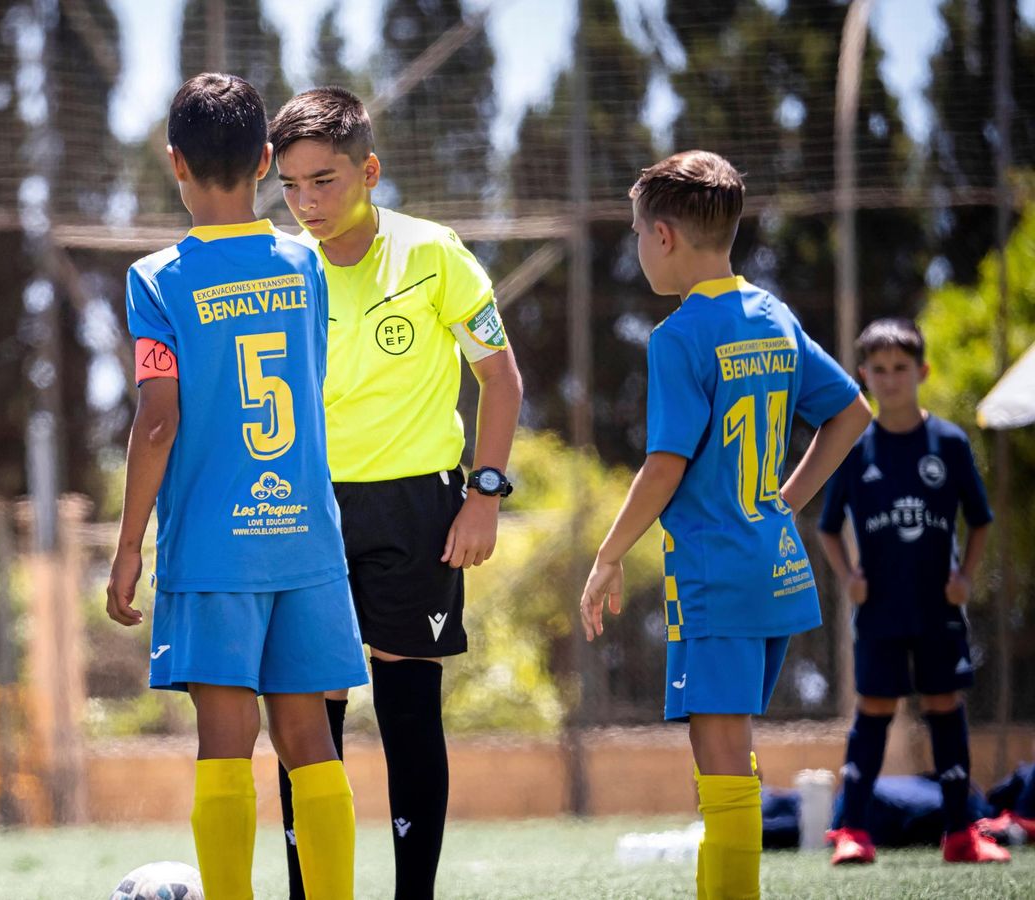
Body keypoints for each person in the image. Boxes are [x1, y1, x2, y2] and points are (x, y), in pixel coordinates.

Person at [578, 150, 871, 899]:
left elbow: (665, 465)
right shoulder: (773, 315)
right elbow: (850, 413)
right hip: (774, 568)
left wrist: (609, 555)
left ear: (665, 236)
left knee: (722, 769)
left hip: (713, 577)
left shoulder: (679, 336)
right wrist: (786, 501)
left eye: (638, 234)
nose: (638, 249)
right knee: (729, 765)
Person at [106, 73, 367, 900]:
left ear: (174, 163)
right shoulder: (305, 265)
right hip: (305, 540)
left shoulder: (157, 280)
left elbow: (158, 421)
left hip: (217, 543)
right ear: (264, 160)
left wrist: (127, 549)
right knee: (308, 740)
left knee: (226, 738)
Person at [267, 86, 523, 900]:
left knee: (410, 709)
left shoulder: (435, 254)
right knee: (313, 722)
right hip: (307, 507)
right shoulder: (280, 267)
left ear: (370, 170)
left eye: (326, 180)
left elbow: (500, 378)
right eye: (292, 186)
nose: (307, 203)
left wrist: (483, 493)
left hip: (419, 508)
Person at [818, 317, 1007, 865]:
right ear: (863, 375)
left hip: (937, 607)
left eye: (901, 368)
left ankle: (960, 834)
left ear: (921, 372)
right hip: (878, 608)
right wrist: (849, 576)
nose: (891, 378)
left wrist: (965, 577)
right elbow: (827, 527)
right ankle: (851, 831)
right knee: (874, 707)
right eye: (879, 369)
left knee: (944, 704)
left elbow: (980, 518)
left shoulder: (947, 443)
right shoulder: (855, 447)